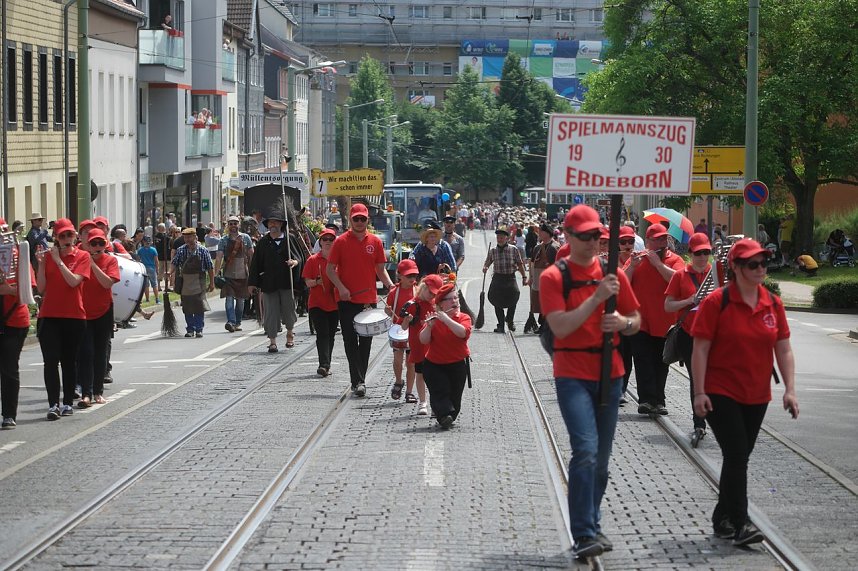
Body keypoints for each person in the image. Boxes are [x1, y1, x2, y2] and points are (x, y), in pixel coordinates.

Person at [539, 204, 641, 558]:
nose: (592, 242)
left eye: (597, 235)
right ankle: (583, 532)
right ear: (568, 236)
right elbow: (561, 327)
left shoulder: (614, 275)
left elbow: (636, 318)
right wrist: (597, 299)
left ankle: (592, 523)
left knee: (601, 457)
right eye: (585, 236)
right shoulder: (553, 277)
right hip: (571, 373)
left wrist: (623, 325)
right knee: (584, 449)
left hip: (610, 374)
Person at [691, 238, 798, 546]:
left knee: (738, 458)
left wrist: (790, 389)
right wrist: (699, 393)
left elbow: (784, 348)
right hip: (720, 390)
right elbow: (700, 349)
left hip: (757, 394)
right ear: (735, 268)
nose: (760, 268)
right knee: (737, 455)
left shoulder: (772, 303)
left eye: (764, 263)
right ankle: (741, 522)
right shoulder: (717, 303)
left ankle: (722, 517)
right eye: (753, 264)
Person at [326, 203, 395, 398]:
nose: (358, 222)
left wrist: (391, 286)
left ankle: (360, 380)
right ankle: (356, 381)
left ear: (367, 220)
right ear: (350, 219)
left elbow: (380, 270)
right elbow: (330, 270)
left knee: (365, 341)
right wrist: (341, 288)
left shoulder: (375, 241)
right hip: (346, 299)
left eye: (362, 219)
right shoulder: (340, 241)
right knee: (350, 340)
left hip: (367, 299)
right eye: (355, 218)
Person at [625, 223, 686, 416]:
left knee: (661, 363)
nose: (663, 242)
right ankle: (646, 400)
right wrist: (632, 267)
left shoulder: (674, 259)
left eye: (664, 239)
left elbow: (679, 280)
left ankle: (658, 400)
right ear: (648, 242)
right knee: (642, 361)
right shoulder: (637, 259)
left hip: (665, 322)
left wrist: (658, 265)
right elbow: (622, 283)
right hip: (640, 320)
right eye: (658, 239)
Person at [664, 233, 717, 446]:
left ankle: (710, 418)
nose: (703, 257)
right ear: (690, 253)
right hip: (689, 334)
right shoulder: (680, 276)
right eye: (699, 253)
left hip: (713, 336)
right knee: (698, 379)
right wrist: (689, 300)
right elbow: (668, 306)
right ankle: (699, 425)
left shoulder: (715, 274)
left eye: (706, 252)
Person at [35, 218, 91, 420]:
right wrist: (42, 264)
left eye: (70, 235)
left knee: (68, 361)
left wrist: (58, 261)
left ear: (75, 236)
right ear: (56, 239)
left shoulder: (83, 256)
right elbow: (41, 288)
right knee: (50, 361)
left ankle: (67, 402)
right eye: (62, 236)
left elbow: (74, 282)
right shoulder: (48, 258)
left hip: (74, 316)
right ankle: (53, 404)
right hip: (49, 315)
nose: (67, 239)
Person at [76, 228, 120, 408]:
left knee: (101, 353)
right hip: (83, 312)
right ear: (88, 244)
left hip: (103, 311)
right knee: (86, 353)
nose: (97, 246)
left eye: (101, 243)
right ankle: (86, 393)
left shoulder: (110, 260)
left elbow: (107, 283)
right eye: (93, 243)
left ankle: (98, 392)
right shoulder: (81, 260)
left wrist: (92, 265)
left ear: (106, 244)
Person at [420, 282, 472, 428]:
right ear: (441, 304)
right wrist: (429, 327)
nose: (454, 301)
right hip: (435, 365)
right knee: (440, 391)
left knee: (455, 398)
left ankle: (448, 416)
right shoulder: (434, 319)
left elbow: (463, 333)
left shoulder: (463, 318)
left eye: (456, 298)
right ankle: (443, 416)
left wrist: (446, 320)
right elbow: (423, 340)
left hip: (457, 365)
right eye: (450, 299)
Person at [247, 211, 302, 352]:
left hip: (286, 283)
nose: (273, 225)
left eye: (276, 222)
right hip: (269, 283)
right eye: (270, 222)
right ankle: (272, 341)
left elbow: (300, 257)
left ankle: (290, 333)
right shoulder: (263, 242)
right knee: (271, 313)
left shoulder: (290, 239)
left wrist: (294, 262)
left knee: (289, 312)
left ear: (281, 224)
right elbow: (255, 264)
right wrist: (252, 283)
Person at [0, 217, 33, 429]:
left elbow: (26, 290)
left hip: (14, 320)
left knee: (9, 368)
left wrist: (9, 288)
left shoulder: (18, 255)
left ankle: (8, 414)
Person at [399, 274, 442, 414]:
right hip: (418, 346)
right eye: (430, 292)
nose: (431, 296)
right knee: (420, 374)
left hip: (433, 346)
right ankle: (423, 402)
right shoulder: (413, 304)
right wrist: (407, 319)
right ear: (423, 287)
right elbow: (404, 327)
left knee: (435, 375)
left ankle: (436, 403)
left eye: (434, 294)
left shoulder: (436, 305)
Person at [303, 228, 339, 376]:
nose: (328, 242)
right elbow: (307, 282)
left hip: (334, 303)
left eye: (331, 239)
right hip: (317, 303)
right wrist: (317, 281)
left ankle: (327, 363)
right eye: (325, 239)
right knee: (322, 334)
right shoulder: (312, 260)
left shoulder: (339, 260)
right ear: (320, 242)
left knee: (330, 334)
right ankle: (323, 364)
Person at [384, 259, 419, 401]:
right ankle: (399, 381)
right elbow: (389, 311)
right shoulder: (394, 292)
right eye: (409, 276)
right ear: (400, 276)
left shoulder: (418, 290)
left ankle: (409, 391)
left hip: (413, 330)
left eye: (414, 276)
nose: (412, 279)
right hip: (398, 330)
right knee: (398, 360)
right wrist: (388, 311)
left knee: (411, 362)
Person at [172, 227, 215, 338]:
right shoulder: (181, 250)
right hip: (185, 281)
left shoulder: (203, 250)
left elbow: (210, 267)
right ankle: (190, 329)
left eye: (190, 237)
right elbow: (175, 263)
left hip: (199, 281)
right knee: (187, 306)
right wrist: (169, 272)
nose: (188, 240)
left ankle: (199, 329)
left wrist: (212, 282)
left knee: (199, 306)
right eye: (185, 237)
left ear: (195, 237)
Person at [483, 225, 527, 333]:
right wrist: (485, 267)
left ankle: (510, 320)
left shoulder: (514, 249)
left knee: (514, 298)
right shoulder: (493, 250)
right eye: (498, 237)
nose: (500, 239)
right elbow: (488, 261)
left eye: (502, 237)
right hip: (498, 278)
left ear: (506, 238)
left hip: (510, 278)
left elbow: (520, 264)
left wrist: (524, 276)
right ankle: (501, 325)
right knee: (496, 301)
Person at [216, 215, 254, 333]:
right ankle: (231, 322)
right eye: (231, 223)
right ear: (228, 225)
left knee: (240, 301)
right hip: (229, 274)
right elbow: (219, 257)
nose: (233, 226)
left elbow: (251, 254)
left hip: (243, 274)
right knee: (228, 299)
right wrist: (216, 272)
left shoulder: (245, 238)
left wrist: (253, 272)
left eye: (235, 223)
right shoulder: (223, 240)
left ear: (238, 225)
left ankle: (237, 322)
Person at [525, 223, 558, 334]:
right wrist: (531, 277)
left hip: (550, 280)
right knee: (539, 302)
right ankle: (542, 323)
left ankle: (546, 325)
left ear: (547, 233)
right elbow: (532, 263)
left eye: (541, 232)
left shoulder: (555, 248)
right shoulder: (537, 247)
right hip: (538, 279)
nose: (539, 234)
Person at [137, 235, 160, 304]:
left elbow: (138, 260)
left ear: (143, 242)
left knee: (146, 285)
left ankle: (147, 299)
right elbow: (156, 260)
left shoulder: (140, 250)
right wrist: (157, 269)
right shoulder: (153, 250)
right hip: (152, 268)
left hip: (144, 268)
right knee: (154, 284)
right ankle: (157, 299)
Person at [153, 223, 169, 290]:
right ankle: (166, 286)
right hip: (165, 256)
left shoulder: (156, 236)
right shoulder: (165, 237)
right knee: (166, 271)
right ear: (163, 228)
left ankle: (159, 286)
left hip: (158, 255)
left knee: (159, 271)